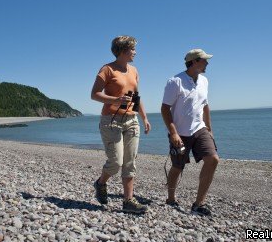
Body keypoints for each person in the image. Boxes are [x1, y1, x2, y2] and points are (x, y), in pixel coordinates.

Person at [91, 35, 151, 214]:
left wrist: (144, 118)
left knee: (130, 162)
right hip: (111, 121)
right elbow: (94, 94)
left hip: (131, 120)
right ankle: (101, 183)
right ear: (123, 50)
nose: (135, 52)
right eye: (132, 49)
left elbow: (136, 96)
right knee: (116, 162)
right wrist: (115, 100)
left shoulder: (134, 70)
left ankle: (128, 201)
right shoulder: (107, 69)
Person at [161, 48, 219, 216]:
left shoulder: (205, 81)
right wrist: (173, 133)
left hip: (199, 129)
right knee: (177, 167)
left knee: (213, 159)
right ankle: (171, 198)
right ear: (194, 62)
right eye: (204, 60)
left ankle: (199, 203)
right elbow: (165, 108)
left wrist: (209, 129)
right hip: (179, 132)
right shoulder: (175, 81)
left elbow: (205, 105)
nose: (207, 63)